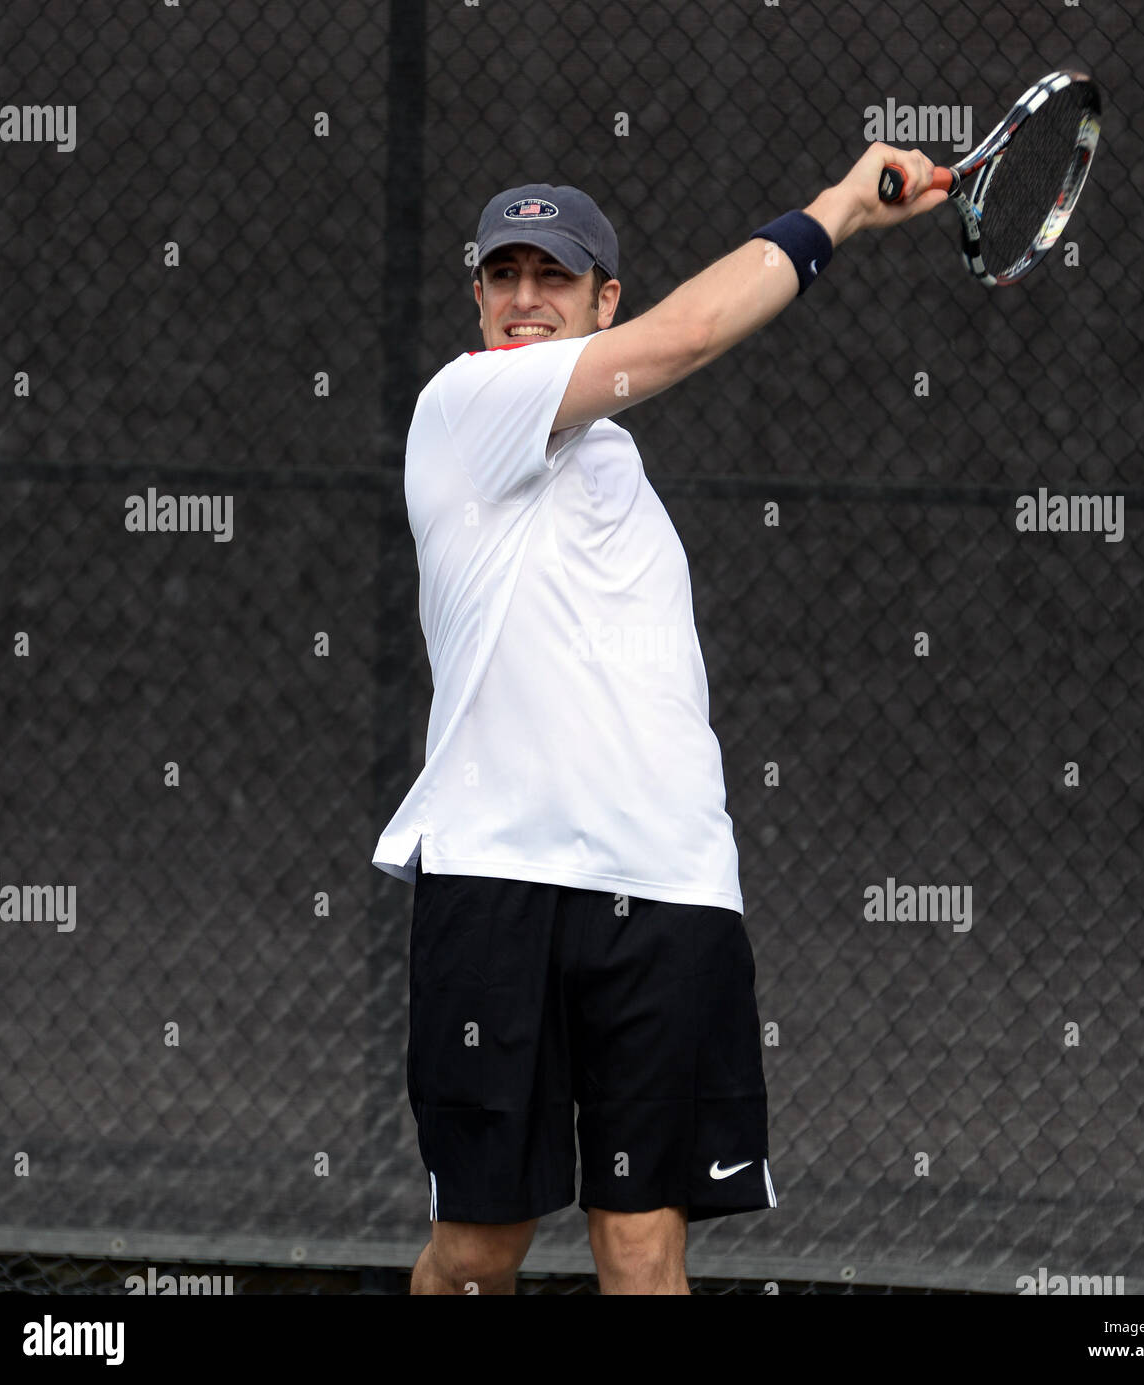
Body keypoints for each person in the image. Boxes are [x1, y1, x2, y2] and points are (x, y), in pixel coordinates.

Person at [372, 144, 945, 1295]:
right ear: (475, 294)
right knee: (481, 1254)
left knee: (643, 1243)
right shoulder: (466, 405)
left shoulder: (616, 465)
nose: (526, 298)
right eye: (504, 275)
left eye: (555, 276)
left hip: (668, 892)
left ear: (600, 297)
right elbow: (686, 337)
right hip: (497, 881)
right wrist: (839, 207)